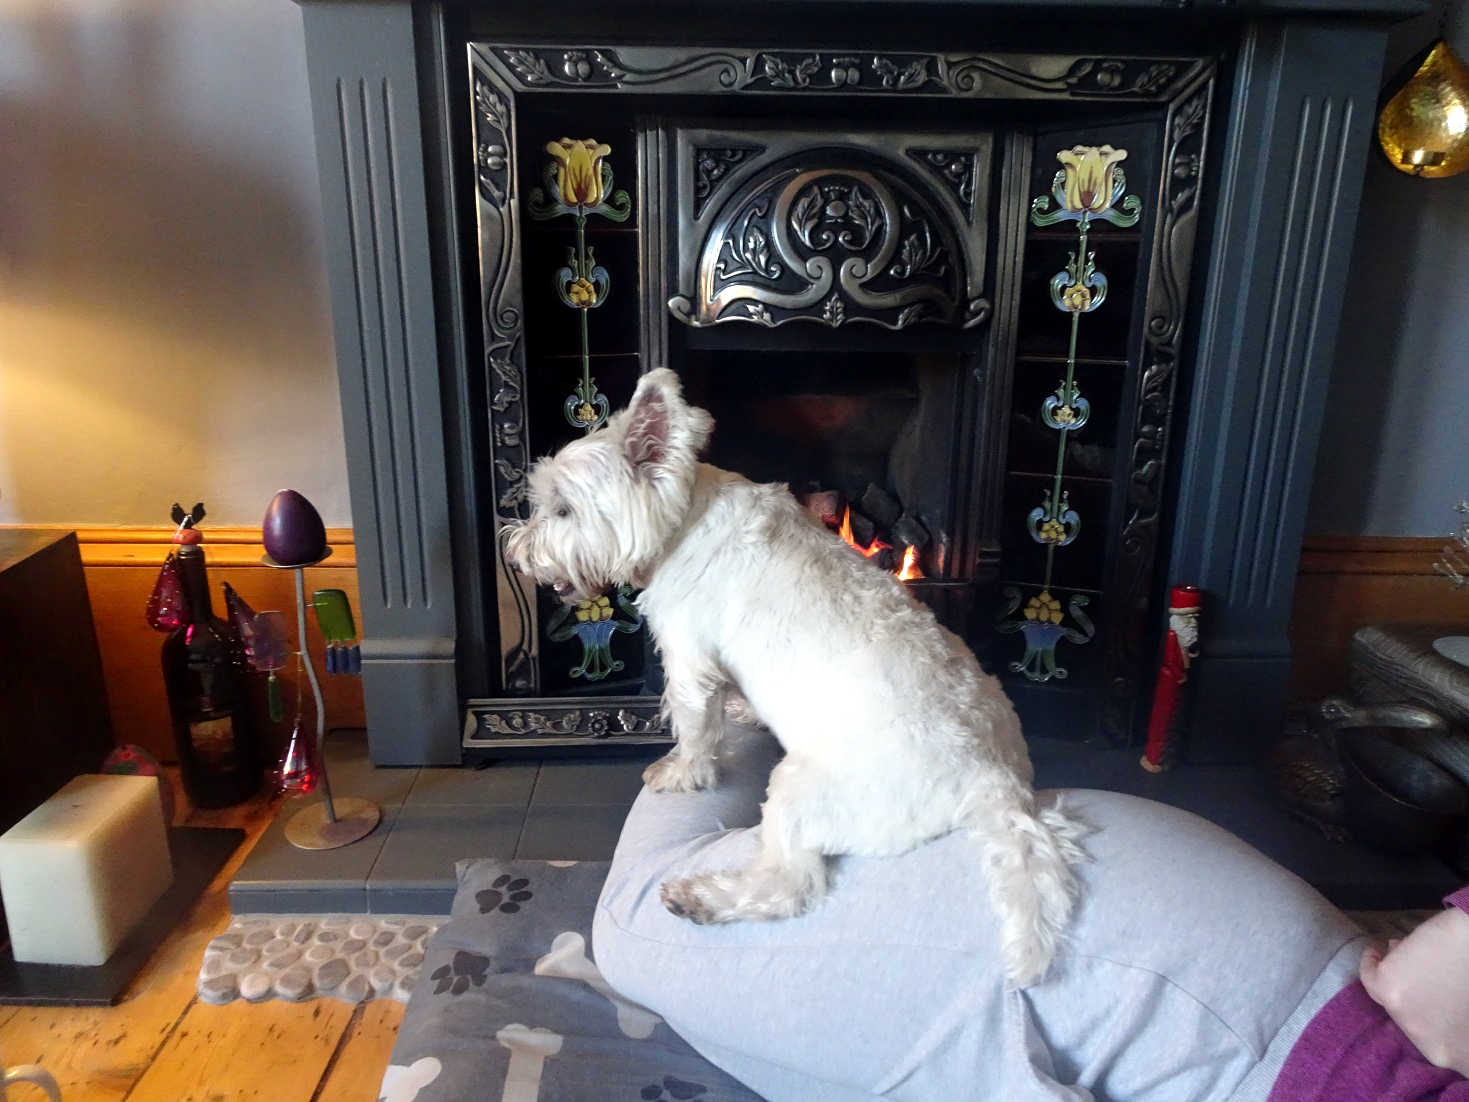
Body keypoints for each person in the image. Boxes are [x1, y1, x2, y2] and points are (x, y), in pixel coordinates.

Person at [592, 724, 1469, 1101]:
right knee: (635, 926)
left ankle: (806, 728)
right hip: (1148, 974)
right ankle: (741, 688)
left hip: (1197, 978)